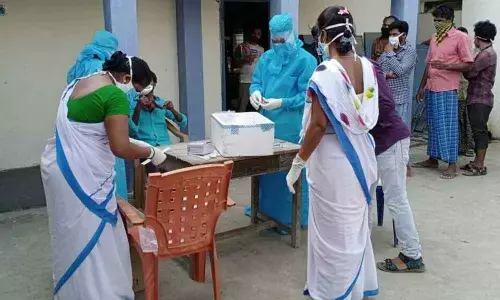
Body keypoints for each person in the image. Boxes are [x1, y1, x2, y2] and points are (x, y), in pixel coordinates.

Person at [41, 51, 167, 299]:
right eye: (136, 87)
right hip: (86, 178)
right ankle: (99, 292)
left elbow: (94, 130)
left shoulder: (78, 84)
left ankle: (73, 290)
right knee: (95, 233)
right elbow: (119, 146)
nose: (133, 93)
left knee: (72, 232)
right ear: (126, 77)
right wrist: (152, 152)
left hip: (62, 169)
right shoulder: (114, 96)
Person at [286, 6, 379, 299]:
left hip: (334, 164)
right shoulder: (367, 66)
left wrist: (298, 163)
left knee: (333, 234)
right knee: (352, 229)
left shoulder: (325, 73)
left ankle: (332, 291)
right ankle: (354, 287)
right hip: (362, 159)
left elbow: (317, 126)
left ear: (326, 35)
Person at [247, 13, 317, 229]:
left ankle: (293, 219)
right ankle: (267, 211)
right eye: (274, 41)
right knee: (268, 174)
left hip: (292, 126)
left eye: (281, 40)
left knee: (290, 173)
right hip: (267, 126)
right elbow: (257, 80)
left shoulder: (307, 60)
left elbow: (307, 95)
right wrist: (255, 93)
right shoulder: (267, 58)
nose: (278, 45)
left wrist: (282, 102)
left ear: (290, 35)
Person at [369, 58, 426, 273]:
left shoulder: (367, 67)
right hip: (374, 145)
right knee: (365, 195)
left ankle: (412, 255)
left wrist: (360, 117)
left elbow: (385, 105)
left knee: (396, 199)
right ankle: (361, 247)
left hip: (391, 141)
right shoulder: (342, 69)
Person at [66, 31, 129, 199]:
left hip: (76, 133)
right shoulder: (100, 69)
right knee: (105, 185)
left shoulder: (79, 64)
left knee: (84, 188)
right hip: (99, 132)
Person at [415, 4, 474, 179]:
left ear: (449, 20)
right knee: (433, 125)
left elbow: (468, 63)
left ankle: (452, 164)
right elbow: (429, 63)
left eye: (440, 20)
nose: (437, 23)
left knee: (447, 127)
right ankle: (433, 158)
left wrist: (447, 65)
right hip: (431, 87)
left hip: (447, 88)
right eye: (435, 20)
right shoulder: (434, 37)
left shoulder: (461, 38)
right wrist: (421, 86)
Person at [127, 71, 187, 173]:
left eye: (151, 85)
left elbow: (183, 122)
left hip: (166, 147)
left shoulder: (160, 102)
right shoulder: (133, 104)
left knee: (183, 165)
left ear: (154, 84)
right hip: (147, 149)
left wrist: (172, 110)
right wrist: (138, 109)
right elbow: (131, 132)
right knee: (154, 168)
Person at [462, 20, 498, 176]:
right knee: (478, 130)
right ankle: (477, 161)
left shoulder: (485, 55)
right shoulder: (488, 52)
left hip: (480, 99)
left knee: (479, 132)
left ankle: (479, 165)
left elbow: (469, 73)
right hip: (479, 98)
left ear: (478, 37)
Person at [234, 28, 265, 112]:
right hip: (245, 80)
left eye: (258, 34)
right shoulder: (242, 47)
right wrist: (245, 59)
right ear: (250, 34)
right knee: (242, 105)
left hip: (257, 81)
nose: (256, 36)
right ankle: (239, 124)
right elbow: (235, 64)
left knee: (259, 105)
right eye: (254, 33)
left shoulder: (262, 50)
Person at [456, 27, 475, 157]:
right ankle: (461, 147)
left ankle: (470, 147)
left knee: (468, 121)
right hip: (456, 92)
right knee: (458, 121)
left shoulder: (471, 53)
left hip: (468, 92)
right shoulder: (454, 54)